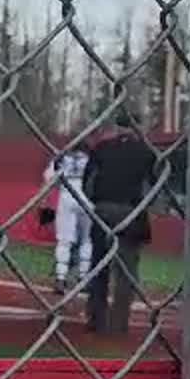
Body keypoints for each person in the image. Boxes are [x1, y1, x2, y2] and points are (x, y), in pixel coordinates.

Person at [82, 113, 158, 334]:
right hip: (131, 212)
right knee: (126, 272)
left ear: (116, 127)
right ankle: (119, 323)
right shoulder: (147, 152)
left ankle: (96, 319)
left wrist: (99, 201)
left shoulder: (101, 148)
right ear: (138, 127)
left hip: (103, 210)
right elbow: (152, 187)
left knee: (99, 266)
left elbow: (88, 184)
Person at [44, 144, 92, 290]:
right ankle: (84, 277)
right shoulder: (91, 157)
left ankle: (60, 277)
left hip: (67, 196)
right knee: (87, 240)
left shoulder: (61, 157)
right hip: (88, 198)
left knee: (64, 241)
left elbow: (49, 178)